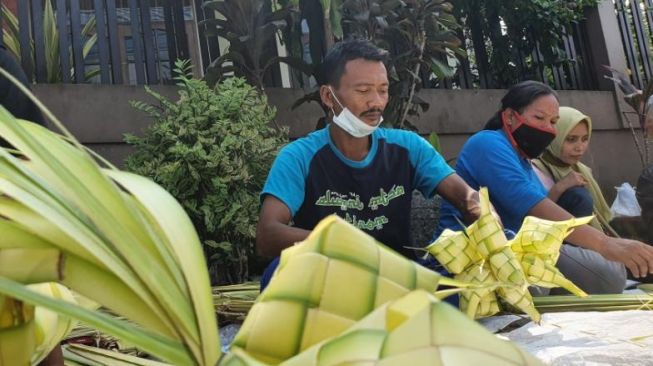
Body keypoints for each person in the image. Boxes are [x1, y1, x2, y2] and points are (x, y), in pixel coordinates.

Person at [256, 39, 482, 284]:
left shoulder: (408, 147)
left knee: (460, 284)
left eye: (383, 90)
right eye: (363, 91)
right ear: (328, 96)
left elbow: (465, 198)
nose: (376, 102)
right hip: (331, 280)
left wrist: (486, 220)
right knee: (278, 272)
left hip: (399, 280)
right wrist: (340, 243)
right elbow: (268, 236)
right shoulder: (299, 157)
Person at [435, 80, 653, 294]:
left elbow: (543, 215)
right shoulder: (487, 144)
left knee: (611, 274)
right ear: (510, 116)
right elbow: (535, 206)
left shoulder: (524, 159)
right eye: (539, 118)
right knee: (585, 278)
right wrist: (604, 244)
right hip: (479, 251)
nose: (548, 129)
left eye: (553, 122)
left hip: (526, 247)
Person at [532, 107, 618, 236]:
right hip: (555, 243)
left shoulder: (581, 169)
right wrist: (560, 187)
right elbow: (533, 217)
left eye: (584, 139)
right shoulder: (535, 169)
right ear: (553, 138)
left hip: (591, 239)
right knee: (578, 195)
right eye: (571, 139)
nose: (580, 148)